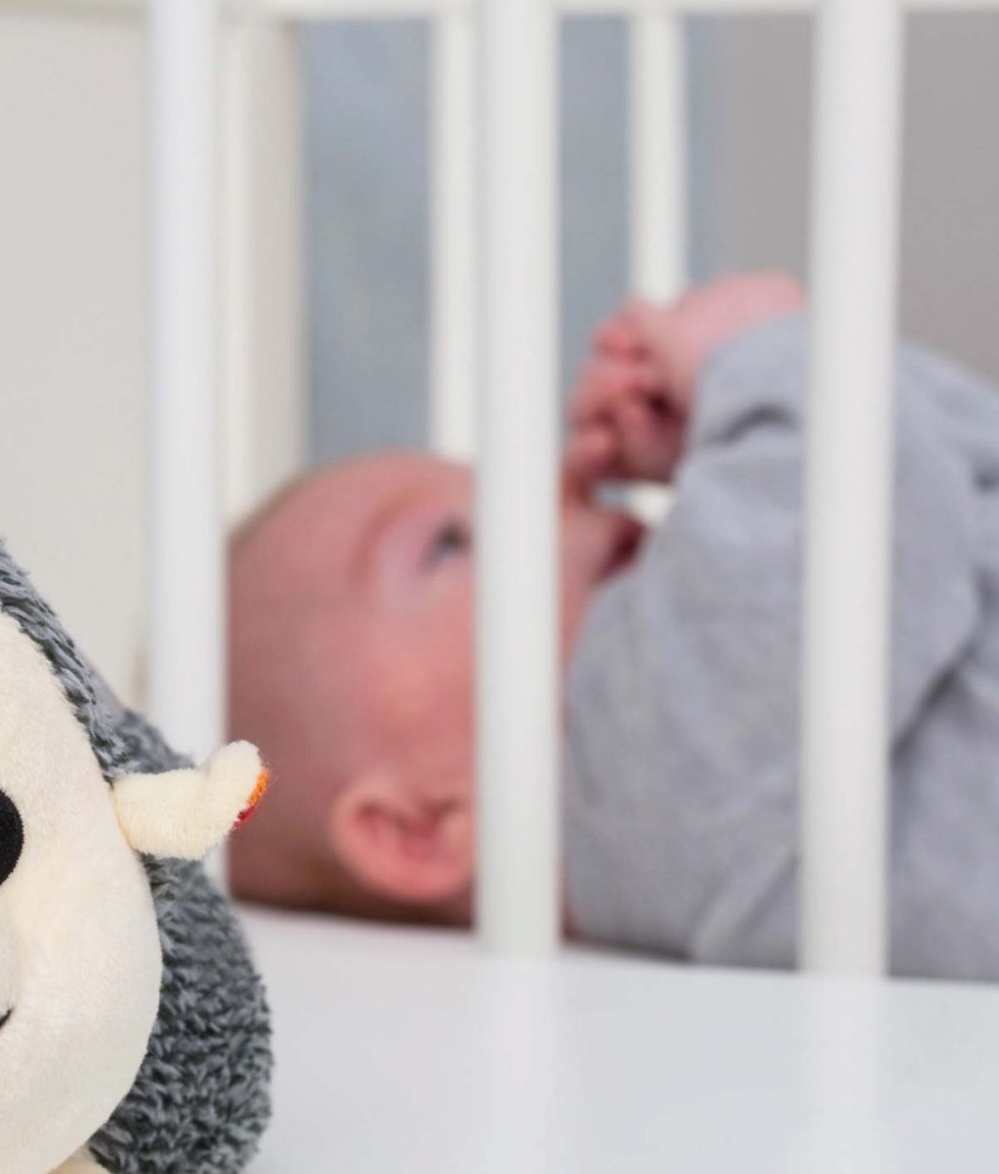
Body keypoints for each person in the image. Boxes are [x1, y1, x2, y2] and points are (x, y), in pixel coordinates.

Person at [227, 273, 999, 979]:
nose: (563, 489)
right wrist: (758, 349)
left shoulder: (682, 780)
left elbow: (937, 480)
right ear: (417, 827)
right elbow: (875, 490)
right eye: (450, 543)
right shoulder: (632, 782)